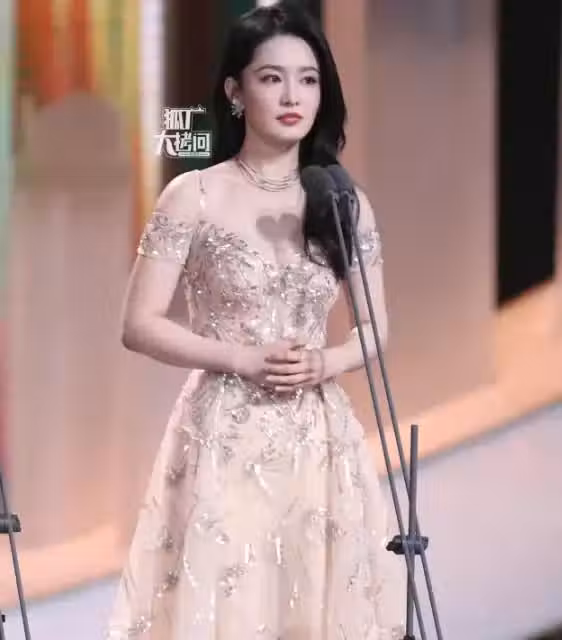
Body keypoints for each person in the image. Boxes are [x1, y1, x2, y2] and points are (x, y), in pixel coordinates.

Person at [106, 2, 405, 638]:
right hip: (224, 434)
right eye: (272, 78)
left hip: (318, 438)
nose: (293, 96)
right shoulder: (194, 195)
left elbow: (376, 328)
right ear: (235, 92)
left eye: (308, 79)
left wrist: (327, 361)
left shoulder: (343, 202)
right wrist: (239, 358)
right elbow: (139, 323)